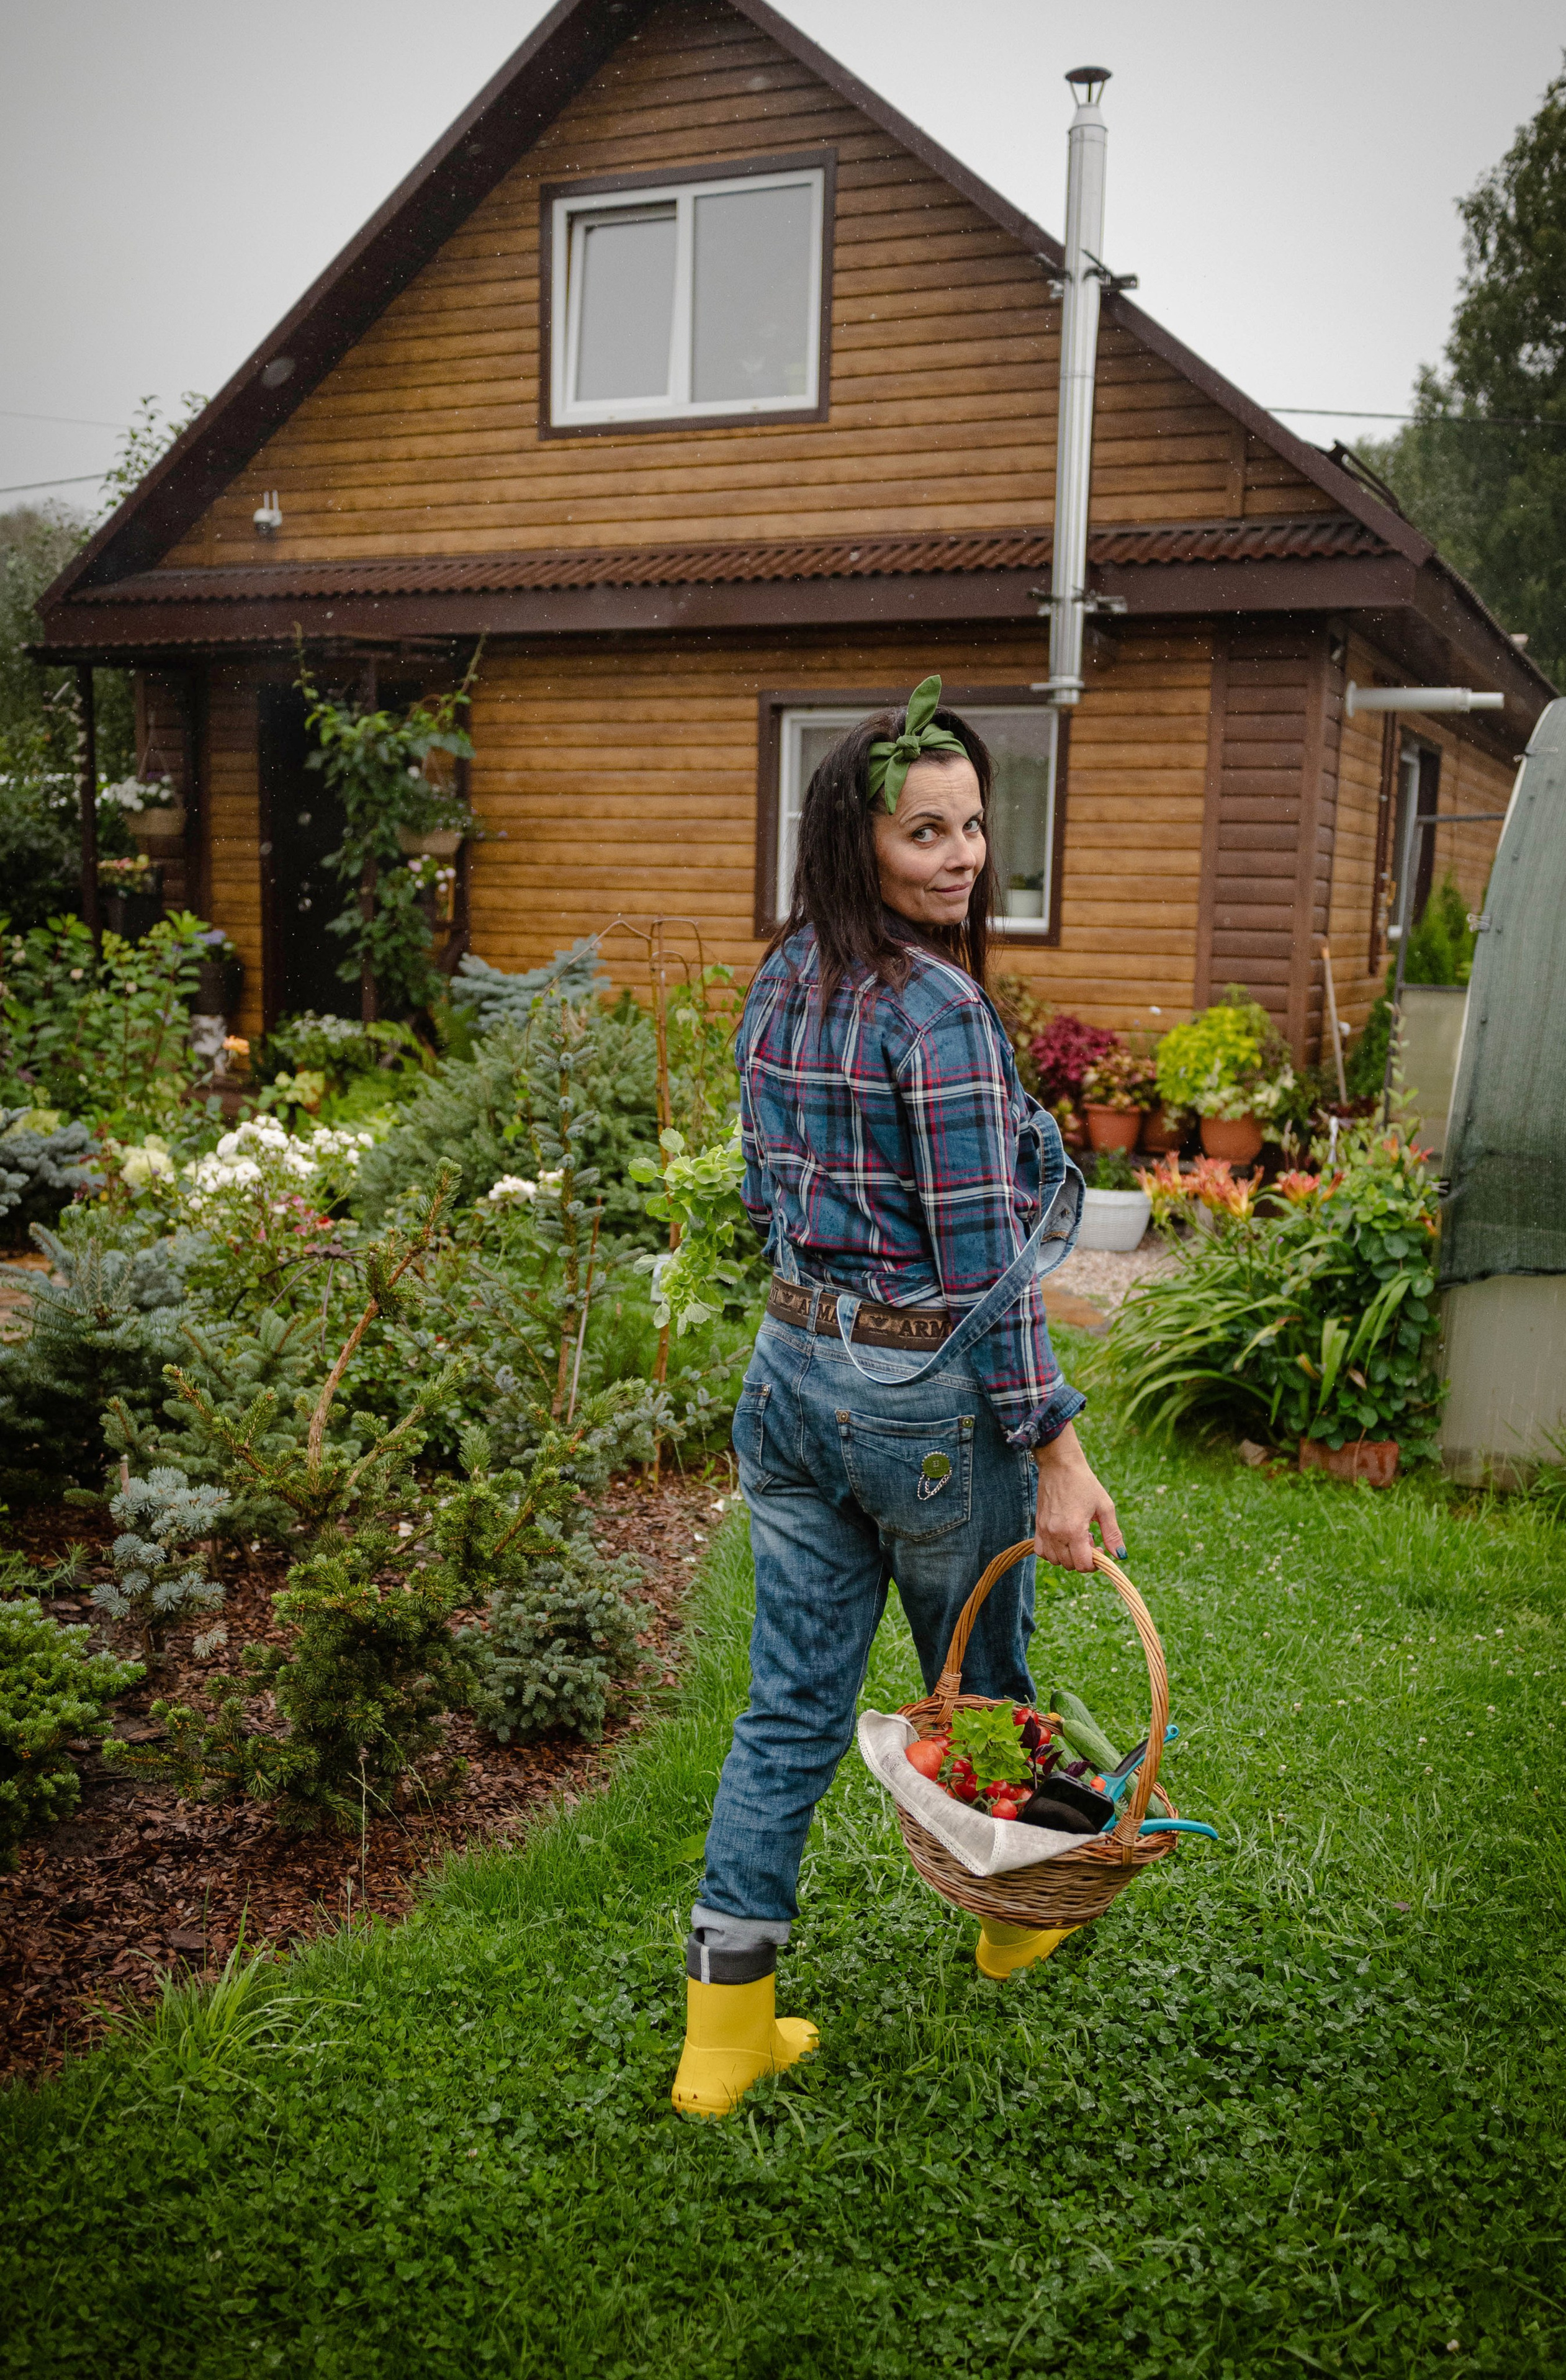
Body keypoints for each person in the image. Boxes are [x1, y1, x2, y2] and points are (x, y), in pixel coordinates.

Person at [670, 678, 1126, 2119]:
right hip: (919, 1397)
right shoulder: (934, 1013)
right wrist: (1052, 1447)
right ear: (853, 841)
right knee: (979, 1678)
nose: (961, 852)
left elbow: (760, 1188)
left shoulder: (784, 970)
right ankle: (1009, 1921)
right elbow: (986, 1272)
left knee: (789, 1706)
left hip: (789, 1373)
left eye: (975, 824)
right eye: (924, 829)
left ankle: (722, 2031)